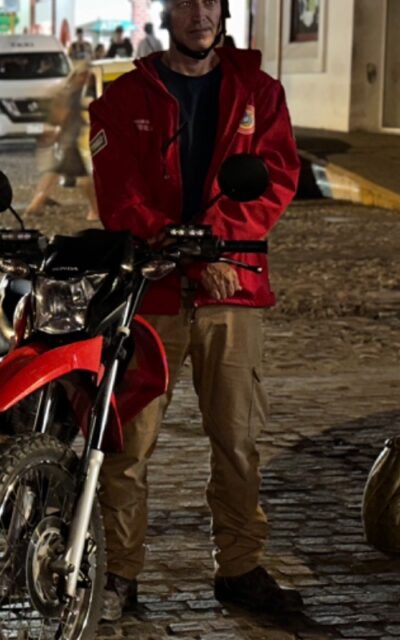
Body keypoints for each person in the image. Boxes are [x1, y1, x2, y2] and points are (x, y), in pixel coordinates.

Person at [88, 0, 302, 623]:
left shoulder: (260, 92)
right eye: (184, 2)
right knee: (128, 445)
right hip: (151, 294)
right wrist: (184, 252)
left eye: (210, 1)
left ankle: (239, 568)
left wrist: (212, 242)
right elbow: (119, 197)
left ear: (225, 12)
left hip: (231, 291)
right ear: (165, 14)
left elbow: (275, 179)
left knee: (237, 442)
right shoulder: (124, 99)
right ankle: (119, 573)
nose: (199, 13)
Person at [24, 63, 98, 221]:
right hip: (70, 142)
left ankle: (36, 204)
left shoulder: (73, 91)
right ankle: (94, 211)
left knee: (53, 173)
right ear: (78, 75)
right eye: (85, 75)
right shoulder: (73, 92)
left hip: (69, 140)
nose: (87, 79)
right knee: (84, 179)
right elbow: (64, 114)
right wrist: (57, 131)